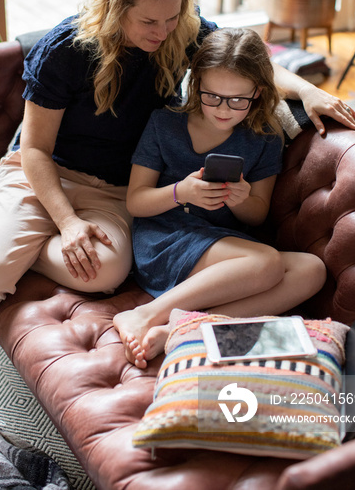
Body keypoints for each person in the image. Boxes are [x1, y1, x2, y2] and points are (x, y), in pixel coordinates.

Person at [0, 0, 355, 447]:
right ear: (116, 8)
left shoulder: (182, 32)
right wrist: (66, 222)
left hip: (112, 190)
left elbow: (247, 64)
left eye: (172, 17)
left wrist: (311, 90)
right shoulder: (66, 49)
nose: (162, 31)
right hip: (42, 173)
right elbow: (37, 151)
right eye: (148, 21)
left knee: (104, 271)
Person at [113, 27, 327, 369]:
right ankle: (143, 314)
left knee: (312, 270)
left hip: (223, 246)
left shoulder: (264, 137)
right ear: (195, 84)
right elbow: (136, 202)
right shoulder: (164, 123)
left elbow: (256, 215)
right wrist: (181, 191)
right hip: (165, 236)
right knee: (267, 263)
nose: (223, 110)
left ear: (258, 92)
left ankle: (178, 331)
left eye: (237, 100)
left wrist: (240, 198)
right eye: (212, 96)